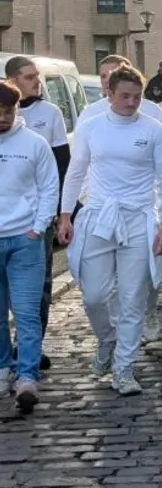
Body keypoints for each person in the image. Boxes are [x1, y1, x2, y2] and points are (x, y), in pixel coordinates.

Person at [58, 65, 162, 396]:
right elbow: (76, 170)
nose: (131, 102)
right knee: (94, 295)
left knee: (132, 296)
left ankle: (124, 368)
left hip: (139, 217)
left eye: (137, 96)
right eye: (125, 96)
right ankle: (107, 339)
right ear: (108, 93)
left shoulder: (155, 131)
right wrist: (65, 214)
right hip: (99, 215)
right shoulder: (91, 127)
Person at [4, 56, 69, 372]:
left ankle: (30, 347)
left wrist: (55, 214)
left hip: (34, 220)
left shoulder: (49, 113)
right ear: (12, 81)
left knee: (38, 287)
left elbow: (60, 163)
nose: (37, 82)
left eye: (37, 76)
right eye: (29, 77)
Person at [0, 81, 59, 412]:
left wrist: (37, 228)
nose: (3, 118)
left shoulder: (34, 144)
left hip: (25, 240)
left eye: (8, 111)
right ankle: (2, 367)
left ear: (17, 109)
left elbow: (49, 186)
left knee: (26, 312)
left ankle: (27, 376)